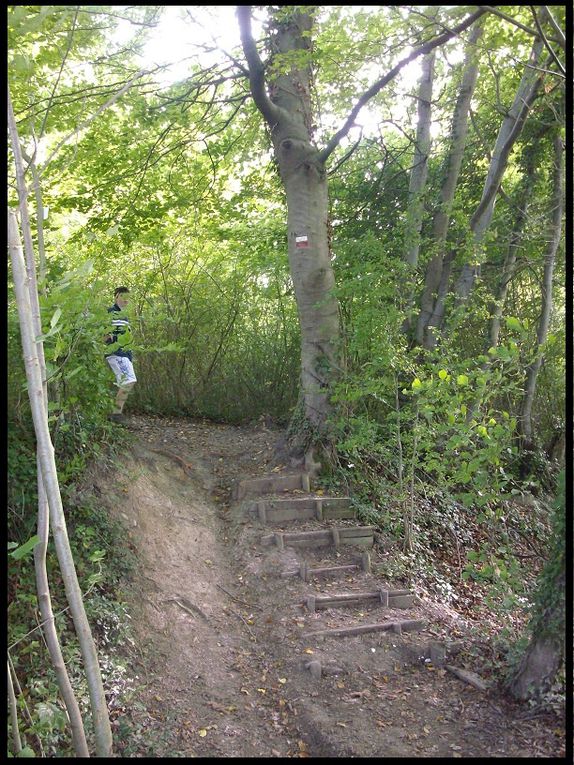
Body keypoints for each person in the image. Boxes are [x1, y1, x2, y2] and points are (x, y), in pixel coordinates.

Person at [104, 286, 136, 423]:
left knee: (129, 381)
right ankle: (115, 414)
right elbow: (104, 335)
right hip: (115, 353)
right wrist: (112, 342)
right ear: (116, 296)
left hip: (125, 354)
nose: (126, 300)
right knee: (128, 380)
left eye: (128, 297)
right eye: (123, 296)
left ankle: (116, 413)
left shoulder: (125, 316)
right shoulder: (110, 312)